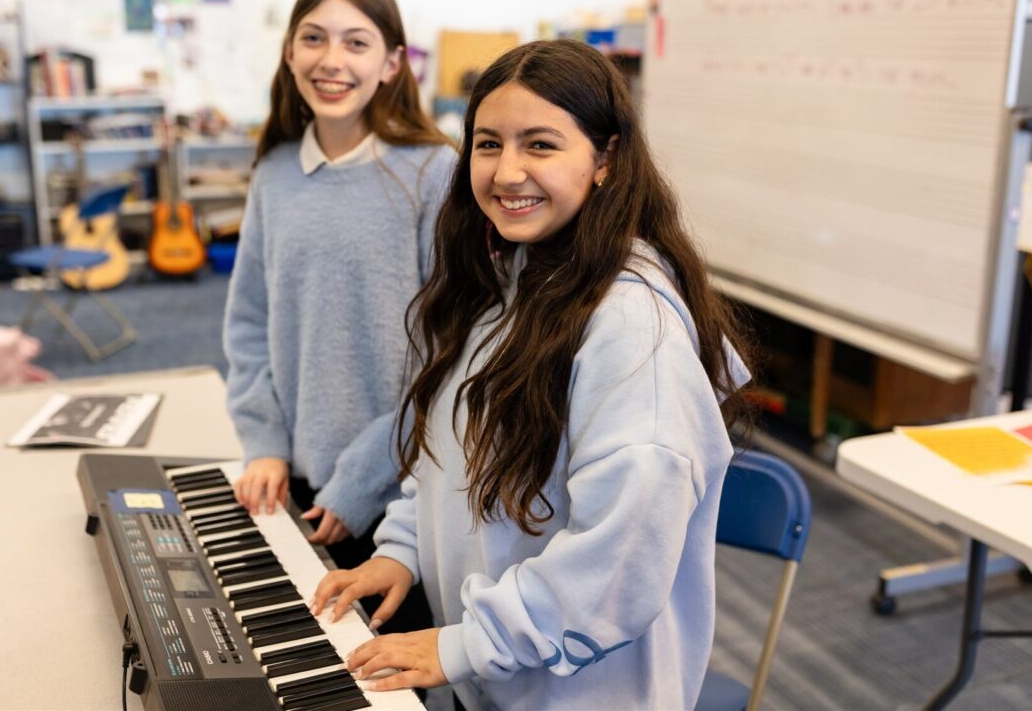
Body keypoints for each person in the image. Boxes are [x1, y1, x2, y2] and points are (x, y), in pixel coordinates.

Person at [311, 39, 753, 710]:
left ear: (605, 159)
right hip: (491, 671)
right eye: (488, 144)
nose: (507, 171)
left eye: (540, 145)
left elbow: (618, 566)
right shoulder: (510, 276)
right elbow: (449, 457)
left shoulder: (634, 329)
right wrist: (402, 547)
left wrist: (463, 643)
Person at [223, 0, 455, 587]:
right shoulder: (274, 171)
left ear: (391, 64)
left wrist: (363, 479)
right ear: (290, 53)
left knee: (383, 675)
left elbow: (448, 358)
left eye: (357, 42)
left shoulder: (433, 173)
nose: (332, 60)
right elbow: (248, 323)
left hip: (394, 494)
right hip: (287, 481)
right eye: (314, 38)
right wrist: (264, 441)